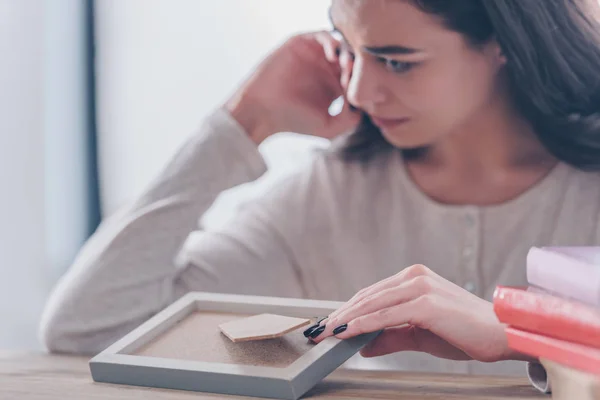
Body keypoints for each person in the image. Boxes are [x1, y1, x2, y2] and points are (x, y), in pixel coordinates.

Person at [40, 0, 600, 391]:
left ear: (501, 42)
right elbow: (87, 325)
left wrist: (517, 336)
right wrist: (242, 123)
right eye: (348, 50)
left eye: (396, 60)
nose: (358, 89)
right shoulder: (323, 198)